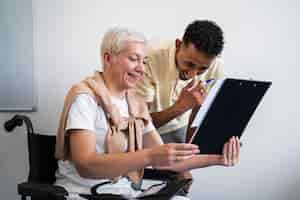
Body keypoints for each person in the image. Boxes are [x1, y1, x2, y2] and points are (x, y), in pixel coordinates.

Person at [54, 27, 240, 200]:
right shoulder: (85, 98)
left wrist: (218, 158)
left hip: (121, 191)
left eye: (144, 61)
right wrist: (149, 156)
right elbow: (85, 165)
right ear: (108, 58)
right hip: (83, 194)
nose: (142, 69)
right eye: (134, 59)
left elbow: (167, 161)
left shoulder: (136, 104)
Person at [135, 20, 225, 143]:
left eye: (202, 69)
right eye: (189, 64)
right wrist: (180, 107)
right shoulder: (147, 59)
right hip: (148, 130)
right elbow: (138, 126)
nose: (193, 75)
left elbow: (203, 117)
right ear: (178, 45)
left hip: (183, 127)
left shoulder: (215, 66)